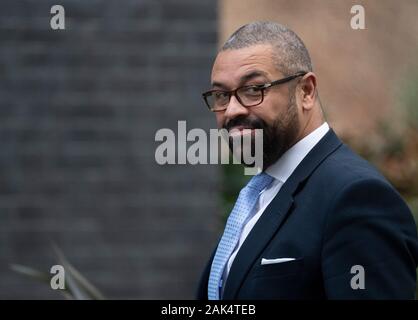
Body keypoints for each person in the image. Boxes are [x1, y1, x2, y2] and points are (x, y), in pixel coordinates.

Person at [196, 21, 418, 300]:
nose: (232, 110)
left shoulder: (357, 197)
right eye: (220, 95)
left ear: (306, 91)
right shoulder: (257, 194)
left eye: (253, 89)